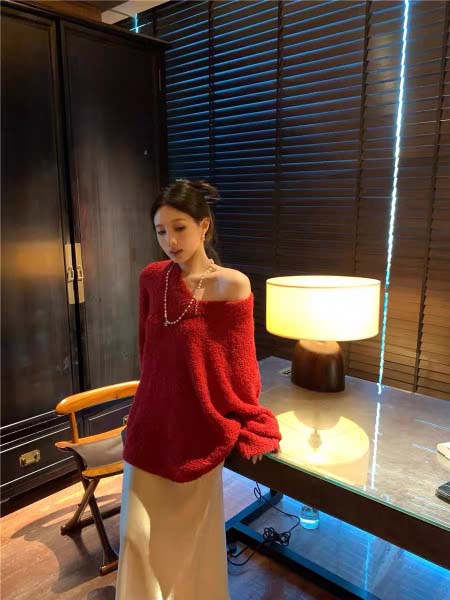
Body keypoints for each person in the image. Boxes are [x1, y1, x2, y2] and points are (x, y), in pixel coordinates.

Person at [115, 179, 282, 600]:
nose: (170, 241)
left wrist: (251, 418)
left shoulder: (233, 285)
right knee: (136, 537)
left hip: (199, 427)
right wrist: (140, 407)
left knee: (190, 544)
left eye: (180, 228)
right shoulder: (152, 278)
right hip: (151, 425)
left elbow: (241, 365)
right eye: (161, 231)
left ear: (204, 225)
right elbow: (147, 353)